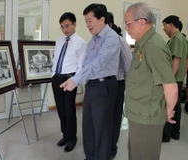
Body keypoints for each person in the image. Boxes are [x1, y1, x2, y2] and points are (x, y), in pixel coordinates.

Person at [61, 4, 121, 160]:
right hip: (92, 86)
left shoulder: (112, 38)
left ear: (102, 19)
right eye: (86, 22)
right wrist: (82, 81)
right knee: (88, 126)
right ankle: (90, 157)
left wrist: (76, 79)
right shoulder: (93, 40)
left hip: (104, 86)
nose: (88, 25)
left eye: (90, 21)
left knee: (102, 128)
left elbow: (99, 63)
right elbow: (86, 65)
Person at [124, 2, 178, 160]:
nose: (126, 28)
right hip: (138, 114)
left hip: (147, 118)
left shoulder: (154, 46)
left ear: (141, 22)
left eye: (128, 24)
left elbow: (170, 85)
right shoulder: (144, 44)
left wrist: (168, 111)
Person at [51, 12, 86, 152]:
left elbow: (81, 65)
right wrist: (53, 74)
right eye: (62, 27)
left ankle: (72, 138)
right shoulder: (59, 40)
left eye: (67, 25)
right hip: (57, 78)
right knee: (60, 109)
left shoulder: (81, 43)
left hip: (70, 79)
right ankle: (65, 135)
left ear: (74, 24)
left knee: (69, 109)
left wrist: (74, 80)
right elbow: (57, 58)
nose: (65, 29)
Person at [106, 12, 132, 159]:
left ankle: (111, 148)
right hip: (100, 86)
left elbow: (129, 67)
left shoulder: (121, 42)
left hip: (117, 84)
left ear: (109, 24)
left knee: (114, 118)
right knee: (101, 119)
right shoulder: (97, 42)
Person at [162, 15, 187, 142]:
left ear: (171, 25)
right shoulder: (182, 39)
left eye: (165, 26)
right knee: (175, 106)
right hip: (178, 77)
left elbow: (176, 60)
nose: (164, 29)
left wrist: (169, 80)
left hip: (173, 78)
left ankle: (166, 134)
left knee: (169, 105)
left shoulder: (177, 39)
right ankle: (174, 132)